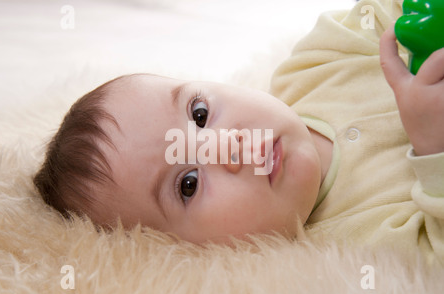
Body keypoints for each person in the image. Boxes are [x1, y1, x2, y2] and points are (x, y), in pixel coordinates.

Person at [33, 0, 444, 264]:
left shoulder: (318, 63)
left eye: (199, 114)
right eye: (188, 184)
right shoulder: (353, 250)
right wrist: (432, 147)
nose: (228, 148)